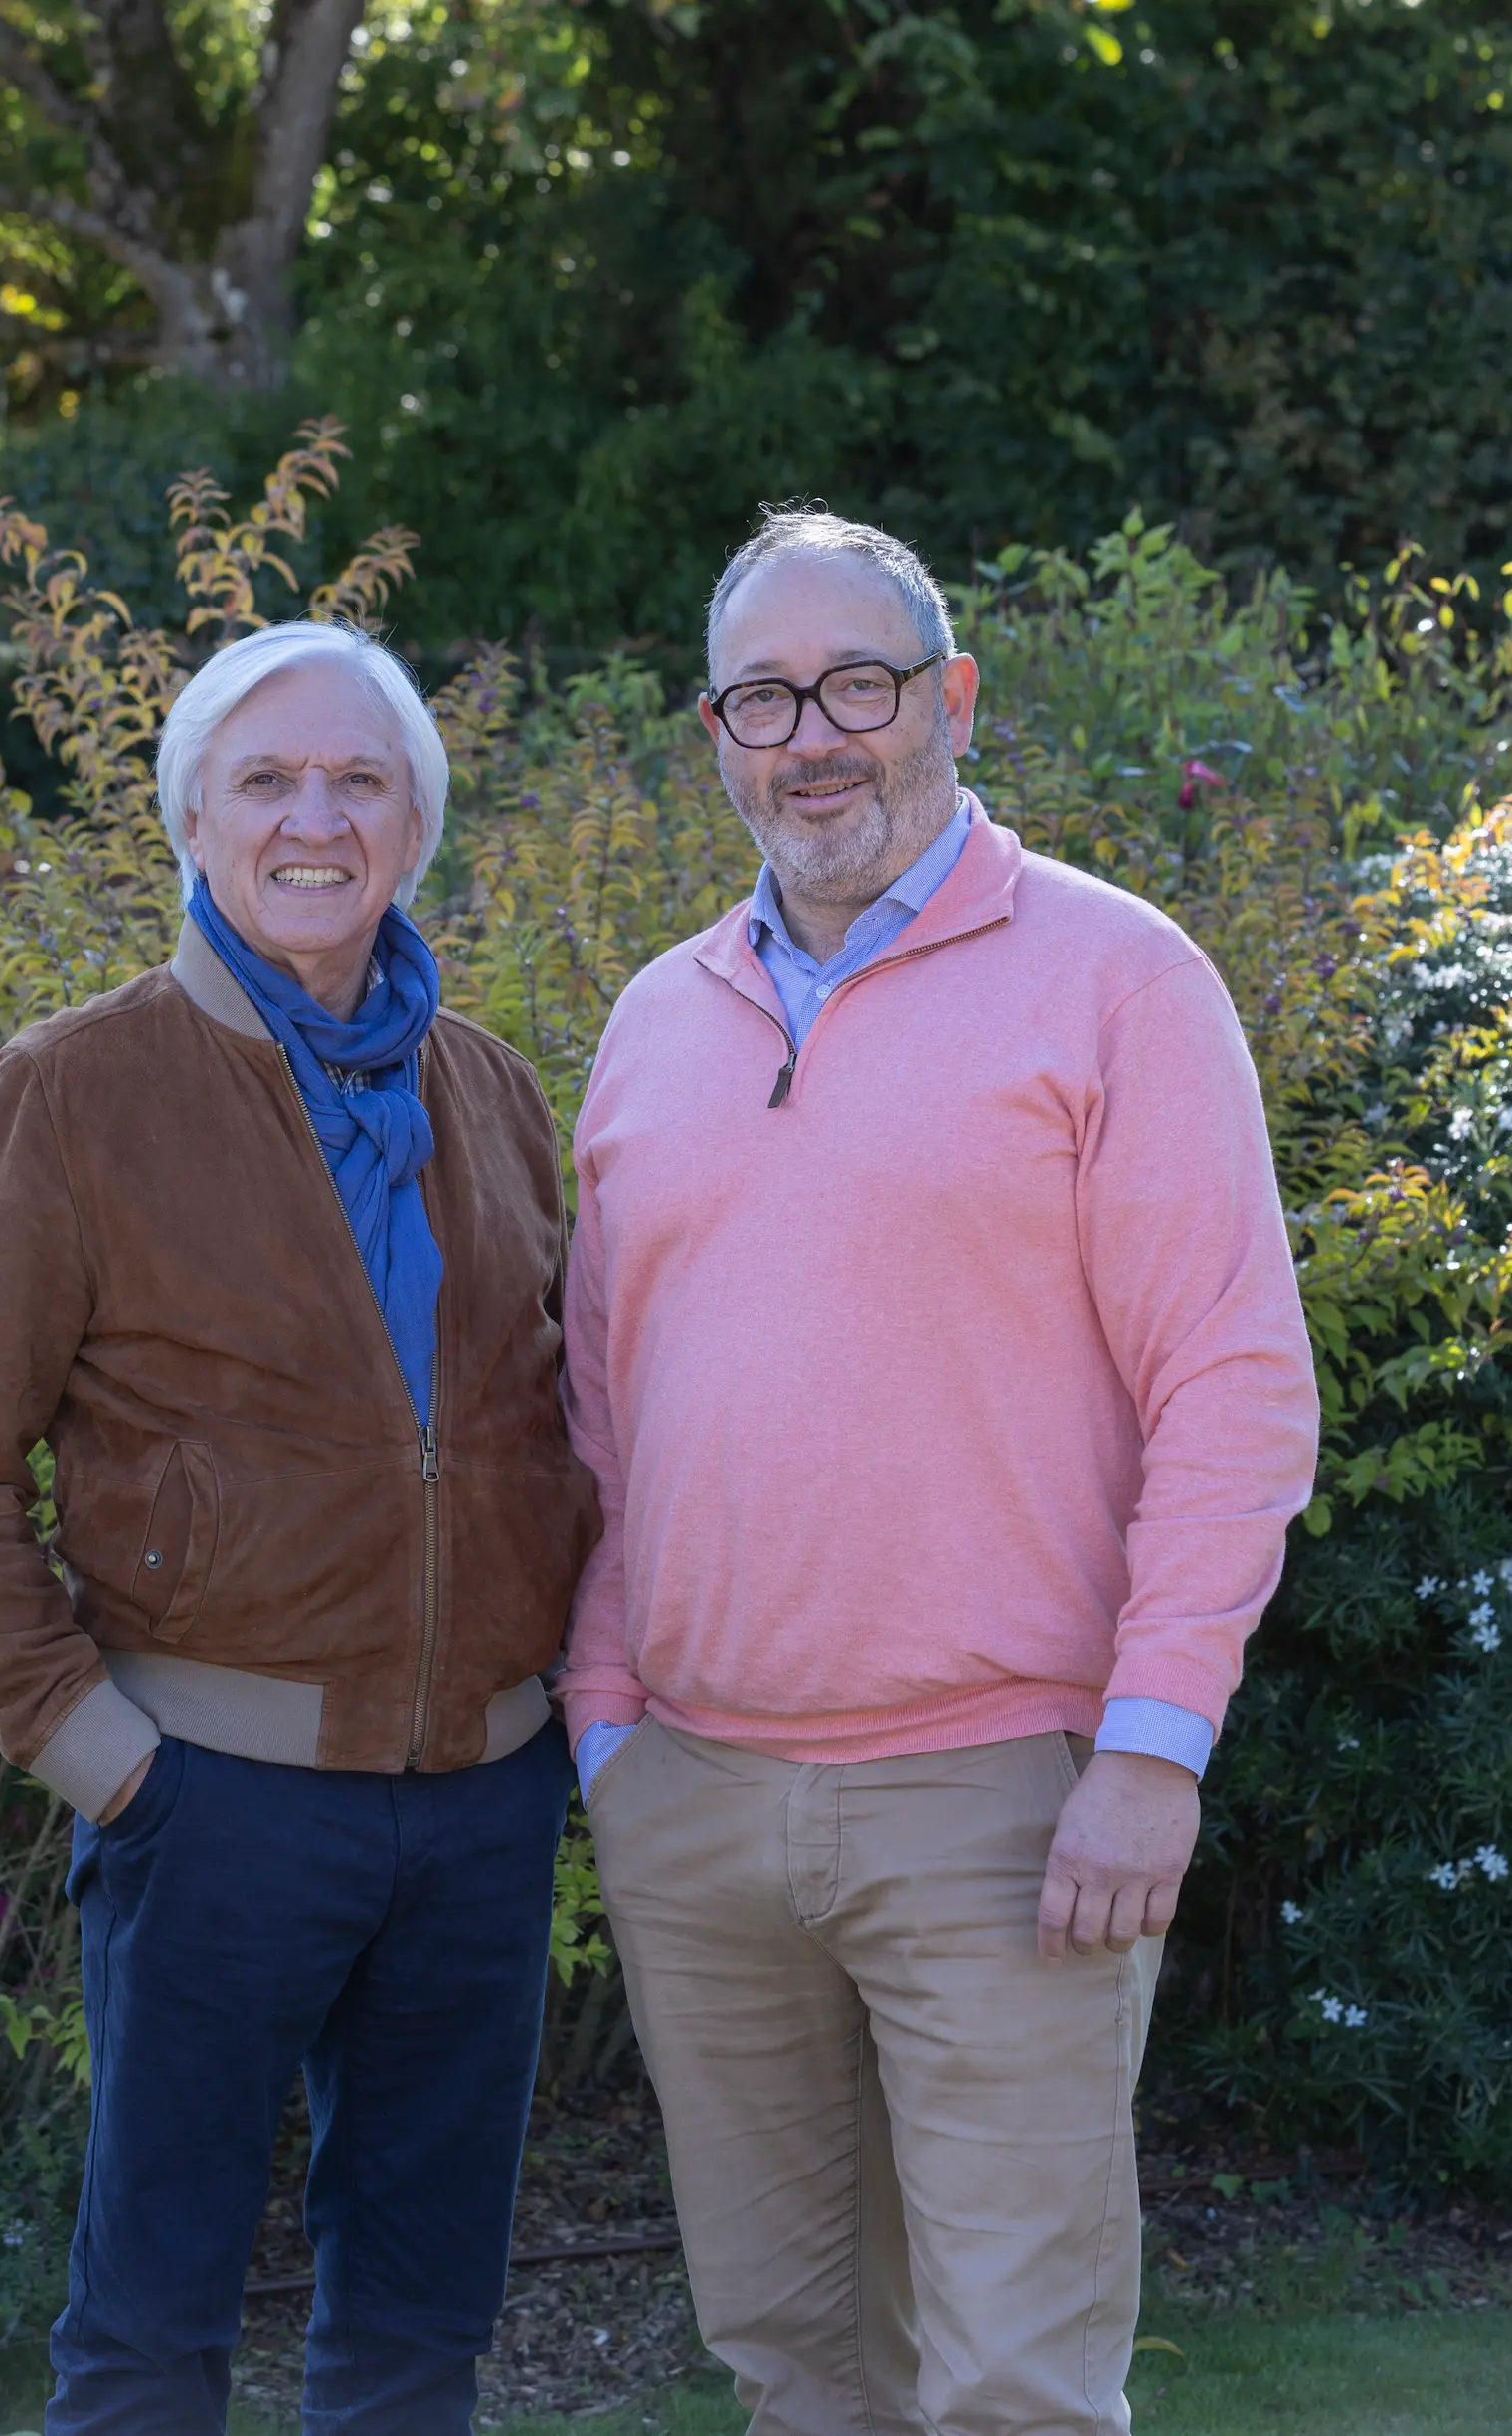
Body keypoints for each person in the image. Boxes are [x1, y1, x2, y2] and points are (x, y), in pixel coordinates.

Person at [558, 509, 1320, 2435]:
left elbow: (1233, 1384)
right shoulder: (655, 1025)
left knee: (1011, 2388)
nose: (812, 735)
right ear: (717, 735)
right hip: (696, 1804)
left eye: (859, 685)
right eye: (762, 697)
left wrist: (1151, 1751)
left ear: (953, 699)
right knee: (795, 2370)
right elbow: (603, 1425)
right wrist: (607, 1733)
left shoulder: (1118, 981)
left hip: (1002, 1806)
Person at [0, 618, 599, 2436]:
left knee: (420, 2333)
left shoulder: (492, 1090)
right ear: (193, 819)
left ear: (414, 825)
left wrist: (565, 1724)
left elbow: (562, 1423)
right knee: (150, 2330)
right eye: (265, 778)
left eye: (360, 780)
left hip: (482, 1807)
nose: (313, 819)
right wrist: (102, 1755)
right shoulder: (75, 1088)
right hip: (211, 1803)